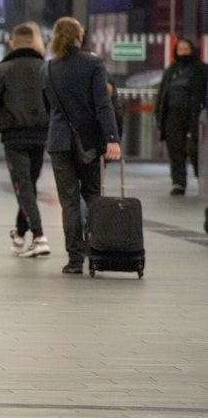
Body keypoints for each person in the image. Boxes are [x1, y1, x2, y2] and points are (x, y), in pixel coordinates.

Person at [43, 17, 121, 275]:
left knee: (69, 202)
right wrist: (112, 139)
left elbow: (49, 108)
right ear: (80, 35)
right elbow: (103, 104)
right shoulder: (93, 63)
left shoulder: (49, 68)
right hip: (88, 142)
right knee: (92, 195)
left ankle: (74, 259)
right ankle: (97, 252)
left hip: (59, 143)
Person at [0, 22, 51, 258]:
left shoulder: (2, 70)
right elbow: (53, 103)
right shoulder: (44, 68)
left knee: (23, 186)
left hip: (14, 137)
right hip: (39, 136)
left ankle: (38, 236)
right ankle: (19, 235)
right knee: (28, 186)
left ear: (12, 44)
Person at [154, 37, 207, 195]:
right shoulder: (171, 70)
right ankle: (178, 182)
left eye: (186, 49)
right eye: (180, 49)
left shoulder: (201, 70)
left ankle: (202, 179)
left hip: (194, 115)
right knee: (175, 149)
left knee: (195, 149)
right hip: (172, 116)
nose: (183, 52)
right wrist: (159, 114)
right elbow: (163, 94)